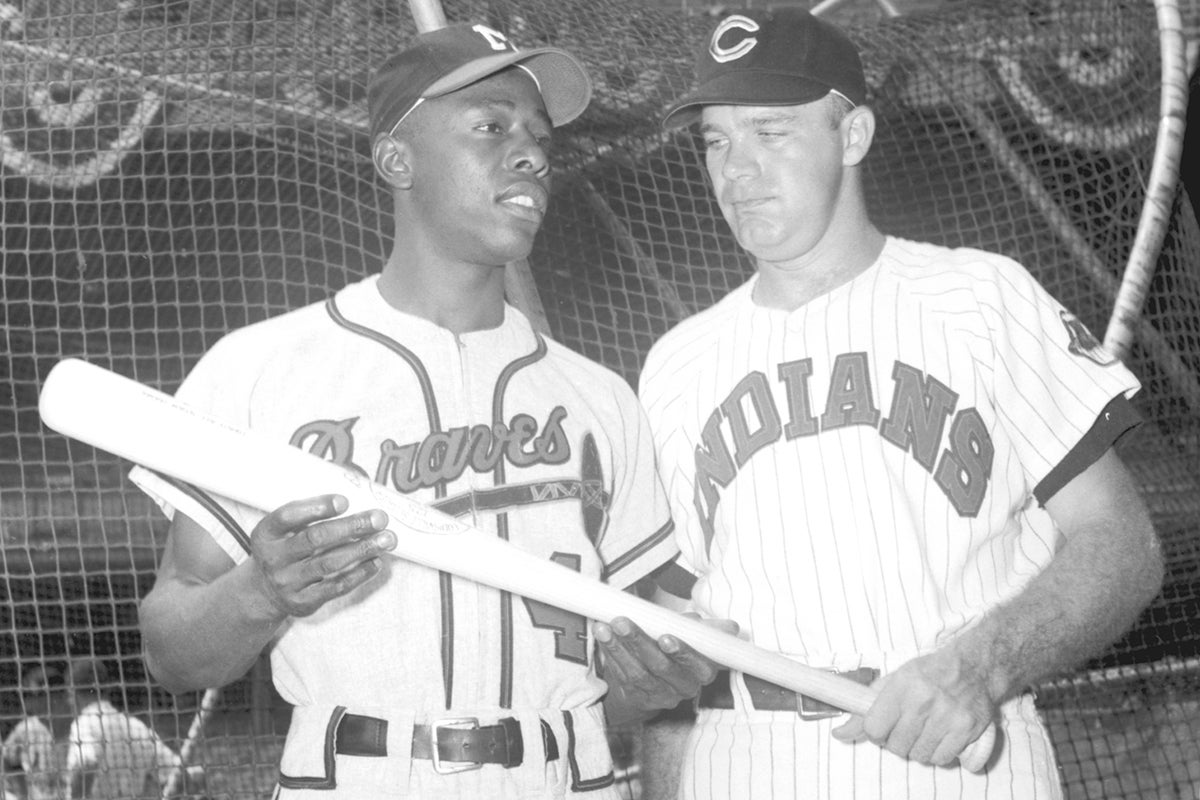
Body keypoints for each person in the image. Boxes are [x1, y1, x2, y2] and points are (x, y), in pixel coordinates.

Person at [132, 22, 716, 799]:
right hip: (355, 776)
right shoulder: (260, 369)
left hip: (567, 776)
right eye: (491, 126)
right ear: (396, 159)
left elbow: (627, 689)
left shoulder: (602, 400)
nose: (532, 153)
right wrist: (260, 593)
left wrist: (656, 683)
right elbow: (170, 653)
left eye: (539, 136)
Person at [639, 7, 1164, 799]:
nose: (735, 171)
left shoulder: (982, 298)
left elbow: (1123, 546)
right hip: (741, 759)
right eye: (716, 140)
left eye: (770, 132)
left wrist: (982, 665)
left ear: (853, 136)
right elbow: (675, 641)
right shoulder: (675, 363)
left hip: (961, 751)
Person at [60, 657, 204, 800]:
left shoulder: (85, 724)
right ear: (108, 688)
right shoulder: (136, 727)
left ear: (72, 693)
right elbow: (182, 775)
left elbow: (87, 761)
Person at [1, 665, 68, 800]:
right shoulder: (27, 728)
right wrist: (22, 794)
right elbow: (7, 760)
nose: (26, 703)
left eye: (30, 695)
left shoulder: (81, 723)